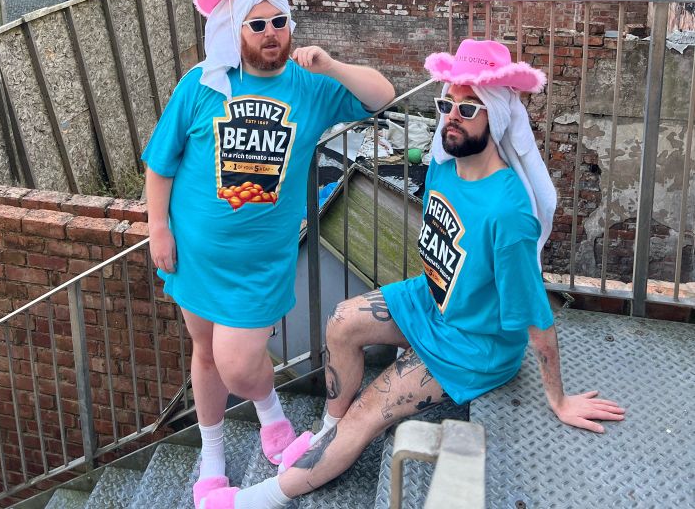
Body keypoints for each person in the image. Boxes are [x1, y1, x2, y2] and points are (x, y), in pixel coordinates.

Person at [198, 38, 625, 509]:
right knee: (341, 321)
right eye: (448, 105)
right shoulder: (446, 164)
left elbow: (536, 318)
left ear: (498, 117)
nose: (452, 119)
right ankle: (325, 433)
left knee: (366, 415)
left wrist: (560, 400)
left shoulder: (508, 213)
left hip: (472, 345)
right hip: (432, 302)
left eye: (470, 109)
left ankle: (256, 499)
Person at [142, 0, 394, 505]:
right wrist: (158, 228)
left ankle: (271, 410)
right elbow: (161, 165)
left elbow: (382, 95)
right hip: (194, 254)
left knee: (235, 363)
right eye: (258, 23)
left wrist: (329, 64)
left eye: (280, 20)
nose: (272, 32)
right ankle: (213, 450)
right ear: (234, 28)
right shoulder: (201, 85)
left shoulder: (308, 86)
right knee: (203, 353)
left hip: (260, 265)